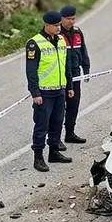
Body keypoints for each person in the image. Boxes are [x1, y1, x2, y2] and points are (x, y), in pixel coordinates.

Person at [26, 11, 73, 172]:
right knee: (41, 126)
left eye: (60, 25)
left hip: (59, 90)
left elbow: (65, 65)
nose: (59, 28)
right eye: (56, 25)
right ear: (46, 25)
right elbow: (31, 71)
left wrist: (70, 86)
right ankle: (38, 157)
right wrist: (35, 93)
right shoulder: (35, 43)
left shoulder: (60, 40)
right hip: (44, 93)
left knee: (57, 123)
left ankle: (54, 152)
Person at [59, 5, 89, 145]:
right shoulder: (57, 34)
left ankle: (70, 133)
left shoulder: (77, 32)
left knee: (73, 106)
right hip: (60, 77)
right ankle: (56, 139)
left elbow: (83, 51)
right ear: (62, 19)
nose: (71, 22)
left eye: (73, 18)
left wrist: (86, 70)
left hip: (75, 75)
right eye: (68, 19)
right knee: (58, 109)